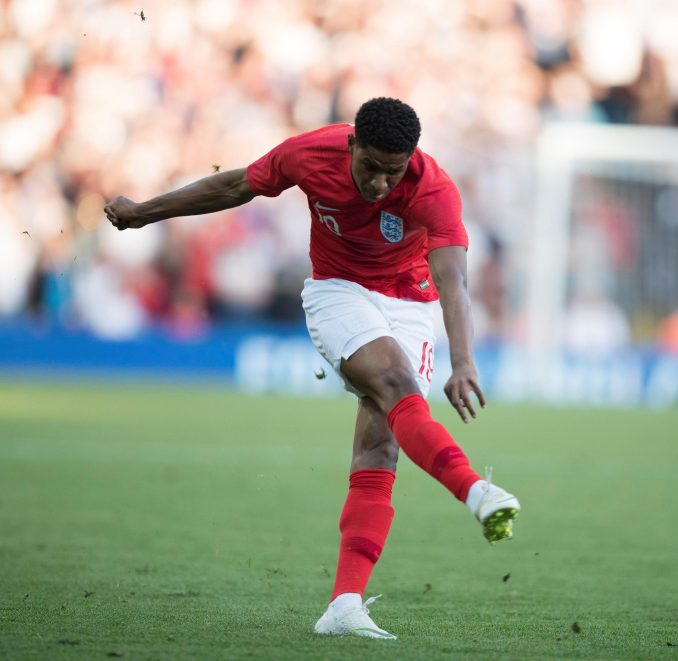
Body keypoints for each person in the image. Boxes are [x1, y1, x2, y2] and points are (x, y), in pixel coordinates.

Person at [104, 97, 520, 641]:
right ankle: (475, 491)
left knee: (381, 442)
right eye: (369, 166)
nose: (378, 183)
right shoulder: (310, 154)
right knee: (395, 382)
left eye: (391, 172)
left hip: (410, 304)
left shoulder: (433, 188)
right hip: (338, 291)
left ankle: (344, 605)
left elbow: (453, 281)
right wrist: (143, 212)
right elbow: (234, 186)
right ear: (351, 145)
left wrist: (463, 361)